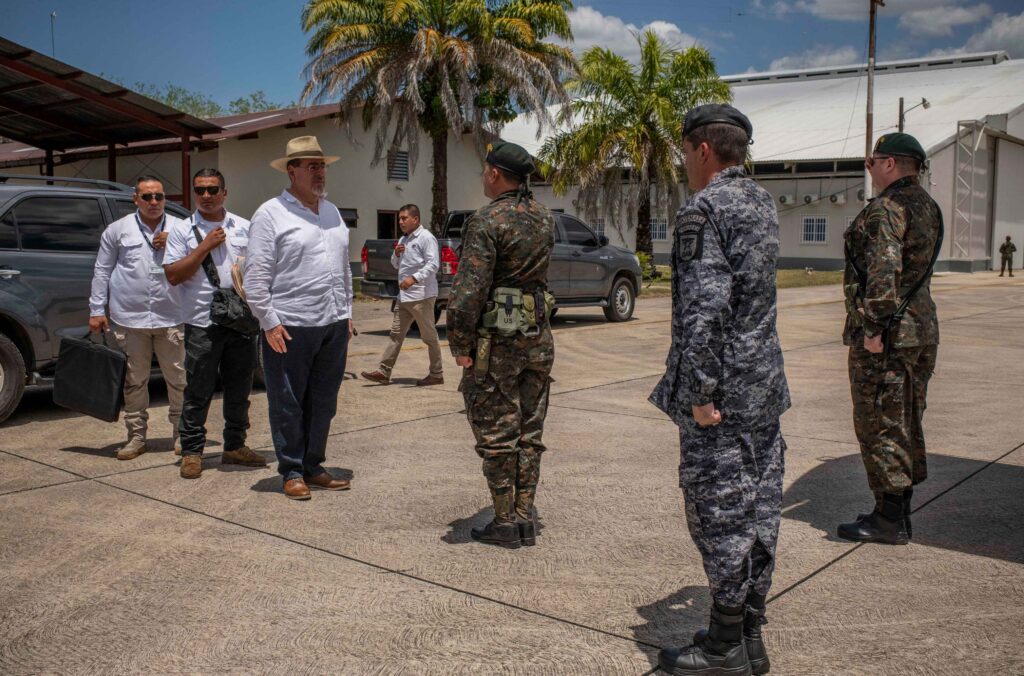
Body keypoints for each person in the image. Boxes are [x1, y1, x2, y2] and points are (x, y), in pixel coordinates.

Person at [649, 104, 790, 676]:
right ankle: (748, 634)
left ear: (702, 148)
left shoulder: (703, 209)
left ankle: (723, 647)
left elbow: (705, 309)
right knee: (759, 504)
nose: (684, 161)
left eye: (684, 150)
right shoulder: (762, 202)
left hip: (723, 393)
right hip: (763, 384)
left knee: (718, 510)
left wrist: (701, 393)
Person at [446, 141, 555, 550]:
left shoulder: (487, 220)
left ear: (494, 173)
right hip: (538, 338)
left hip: (497, 343)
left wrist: (460, 342)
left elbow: (468, 291)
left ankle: (505, 520)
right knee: (530, 429)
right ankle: (526, 515)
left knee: (496, 429)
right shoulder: (545, 218)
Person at [838, 132, 941, 546]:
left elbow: (884, 273)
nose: (869, 167)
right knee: (906, 418)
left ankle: (889, 518)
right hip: (919, 331)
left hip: (890, 335)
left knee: (880, 422)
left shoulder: (886, 210)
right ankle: (897, 510)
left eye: (872, 160)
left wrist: (874, 328)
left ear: (891, 164)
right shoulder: (928, 207)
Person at [244, 136, 354, 501]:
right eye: (311, 166)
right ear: (291, 171)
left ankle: (313, 465)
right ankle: (291, 470)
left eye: (321, 165)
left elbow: (343, 268)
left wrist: (347, 311)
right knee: (288, 401)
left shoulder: (332, 212)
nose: (319, 172)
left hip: (333, 323)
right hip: (289, 325)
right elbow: (256, 276)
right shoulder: (270, 213)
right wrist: (269, 321)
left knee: (324, 401)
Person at [163, 168, 268, 479]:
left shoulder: (245, 227)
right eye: (200, 190)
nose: (206, 196)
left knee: (240, 388)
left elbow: (259, 270)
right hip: (201, 320)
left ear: (225, 192)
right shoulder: (183, 230)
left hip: (241, 320)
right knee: (197, 389)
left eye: (212, 189)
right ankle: (193, 451)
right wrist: (204, 247)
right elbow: (173, 275)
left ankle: (235, 445)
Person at [89, 176, 186, 461]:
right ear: (135, 199)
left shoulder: (182, 229)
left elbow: (201, 262)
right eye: (147, 197)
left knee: (178, 379)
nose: (154, 202)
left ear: (165, 199)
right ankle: (136, 437)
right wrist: (97, 309)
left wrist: (176, 243)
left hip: (172, 315)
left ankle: (182, 435)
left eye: (159, 196)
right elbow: (102, 271)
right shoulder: (118, 230)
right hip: (129, 318)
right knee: (134, 381)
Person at [360, 204, 444, 386]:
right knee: (395, 335)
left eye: (404, 218)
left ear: (416, 219)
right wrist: (396, 255)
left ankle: (436, 374)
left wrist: (414, 278)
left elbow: (433, 265)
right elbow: (396, 265)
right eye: (399, 218)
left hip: (421, 297)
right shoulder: (403, 240)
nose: (400, 222)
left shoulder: (426, 238)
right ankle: (384, 371)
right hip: (404, 297)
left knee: (429, 337)